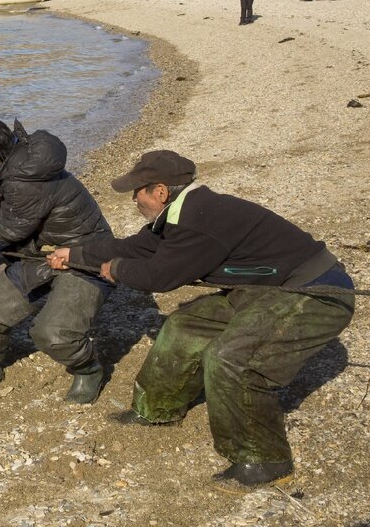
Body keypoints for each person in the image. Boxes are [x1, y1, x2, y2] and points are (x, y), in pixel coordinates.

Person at [46, 150, 355, 493]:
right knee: (183, 325)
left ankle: (266, 461)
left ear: (160, 191)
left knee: (233, 359)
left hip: (316, 293)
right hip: (264, 289)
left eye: (137, 191)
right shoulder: (179, 215)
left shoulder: (198, 221)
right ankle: (157, 409)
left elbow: (161, 276)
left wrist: (116, 270)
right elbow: (135, 247)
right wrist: (74, 255)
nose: (134, 199)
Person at [0, 119, 114, 403]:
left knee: (53, 333)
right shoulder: (12, 166)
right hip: (39, 255)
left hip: (85, 257)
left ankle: (88, 369)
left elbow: (12, 227)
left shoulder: (25, 180)